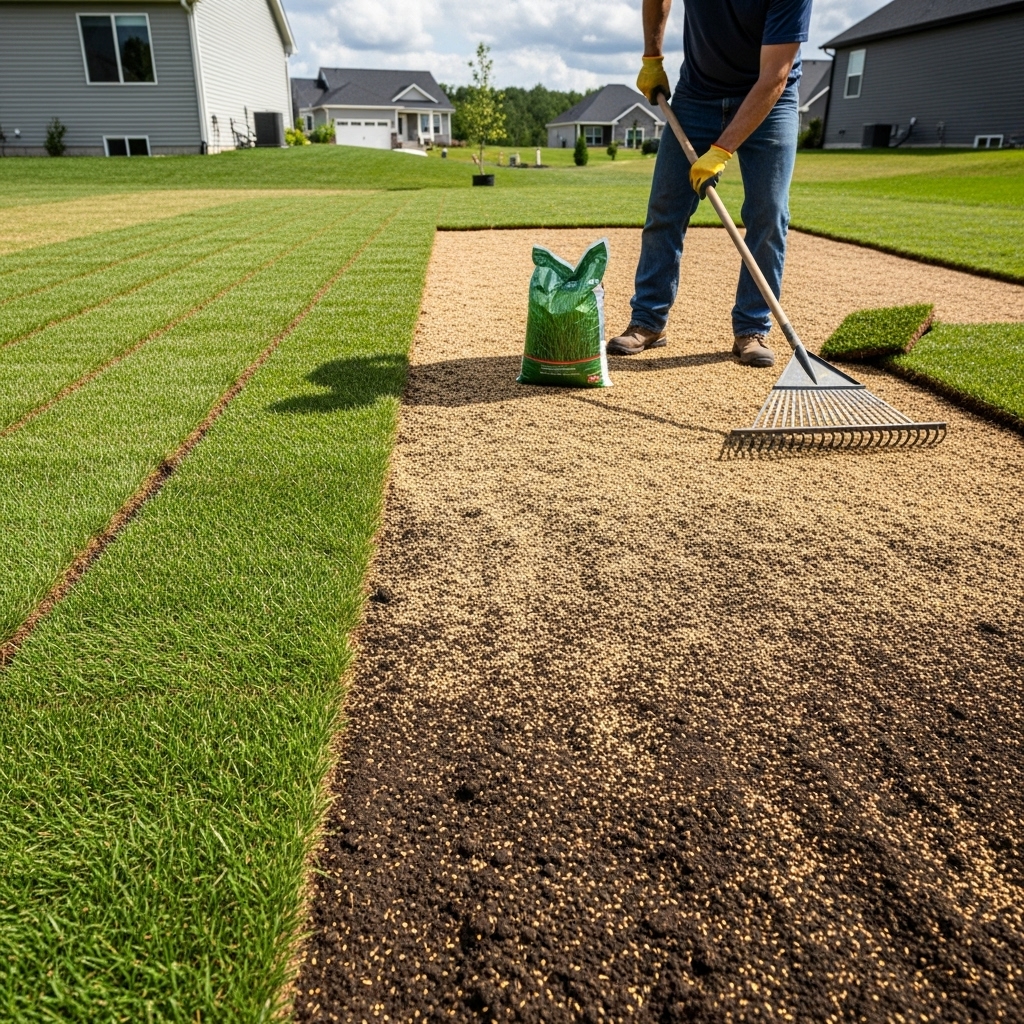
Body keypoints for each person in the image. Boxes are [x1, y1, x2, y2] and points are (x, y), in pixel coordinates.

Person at [607, 0, 812, 367]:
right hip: (697, 93)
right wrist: (652, 57)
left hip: (770, 97)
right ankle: (648, 321)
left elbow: (774, 77)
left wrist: (721, 151)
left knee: (769, 212)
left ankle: (752, 328)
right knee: (665, 208)